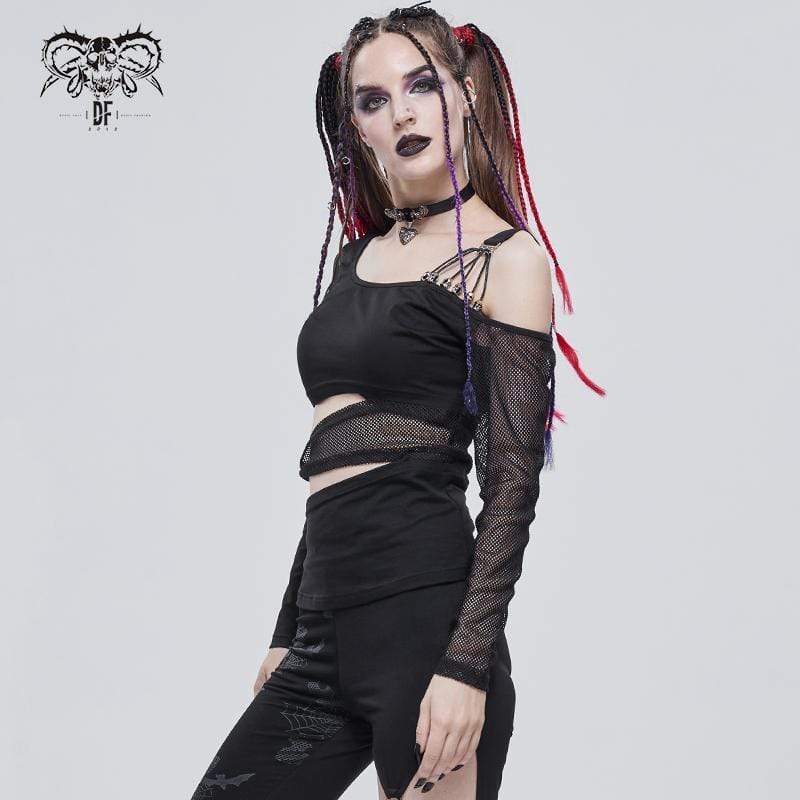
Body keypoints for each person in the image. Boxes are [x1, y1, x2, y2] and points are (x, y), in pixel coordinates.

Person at [190, 3, 604, 798]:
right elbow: (337, 451)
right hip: (322, 631)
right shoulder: (356, 262)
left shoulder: (506, 261)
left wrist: (466, 666)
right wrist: (290, 626)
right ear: (357, 129)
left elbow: (511, 484)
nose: (403, 113)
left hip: (425, 630)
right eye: (374, 100)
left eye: (422, 85)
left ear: (465, 94)